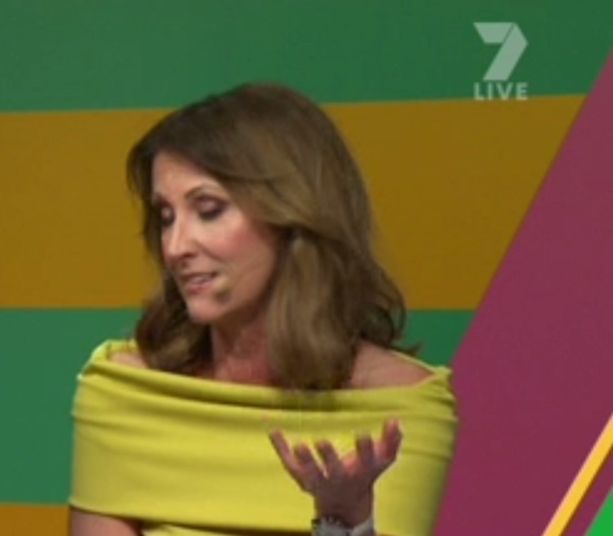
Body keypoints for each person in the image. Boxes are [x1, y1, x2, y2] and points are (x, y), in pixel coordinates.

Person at [69, 83, 458, 536]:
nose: (175, 247)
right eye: (166, 217)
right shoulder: (125, 393)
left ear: (293, 217)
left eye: (208, 210)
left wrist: (346, 521)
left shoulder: (400, 407)